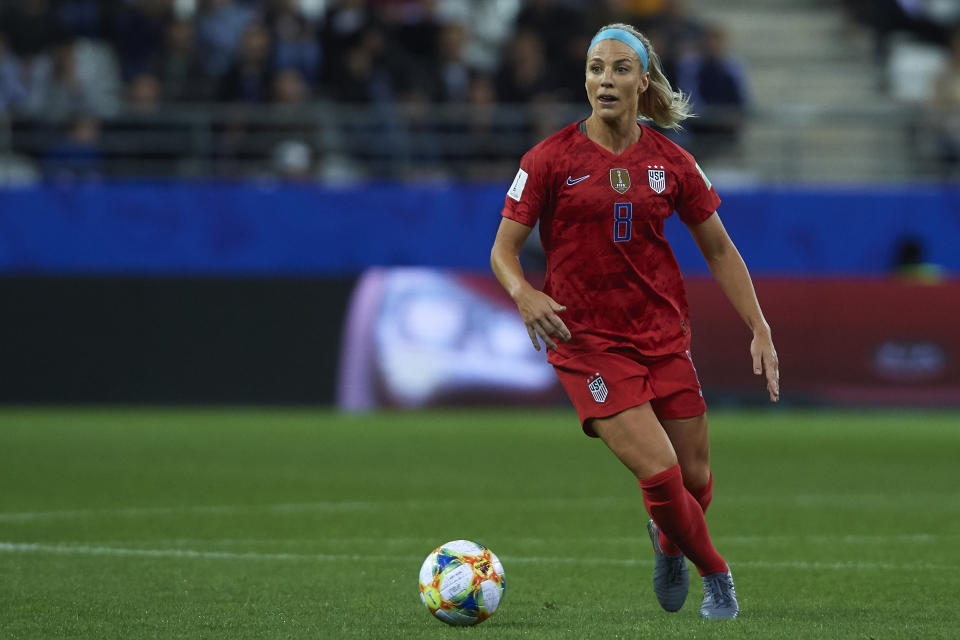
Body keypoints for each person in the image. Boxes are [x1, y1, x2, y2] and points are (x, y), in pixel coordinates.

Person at [490, 23, 779, 619]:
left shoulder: (672, 162)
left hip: (661, 334)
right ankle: (717, 575)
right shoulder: (548, 159)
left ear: (643, 81)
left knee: (695, 480)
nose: (605, 80)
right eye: (596, 68)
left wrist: (760, 327)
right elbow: (503, 251)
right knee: (660, 470)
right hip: (587, 342)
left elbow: (719, 250)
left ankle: (669, 541)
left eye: (620, 68)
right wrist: (522, 292)